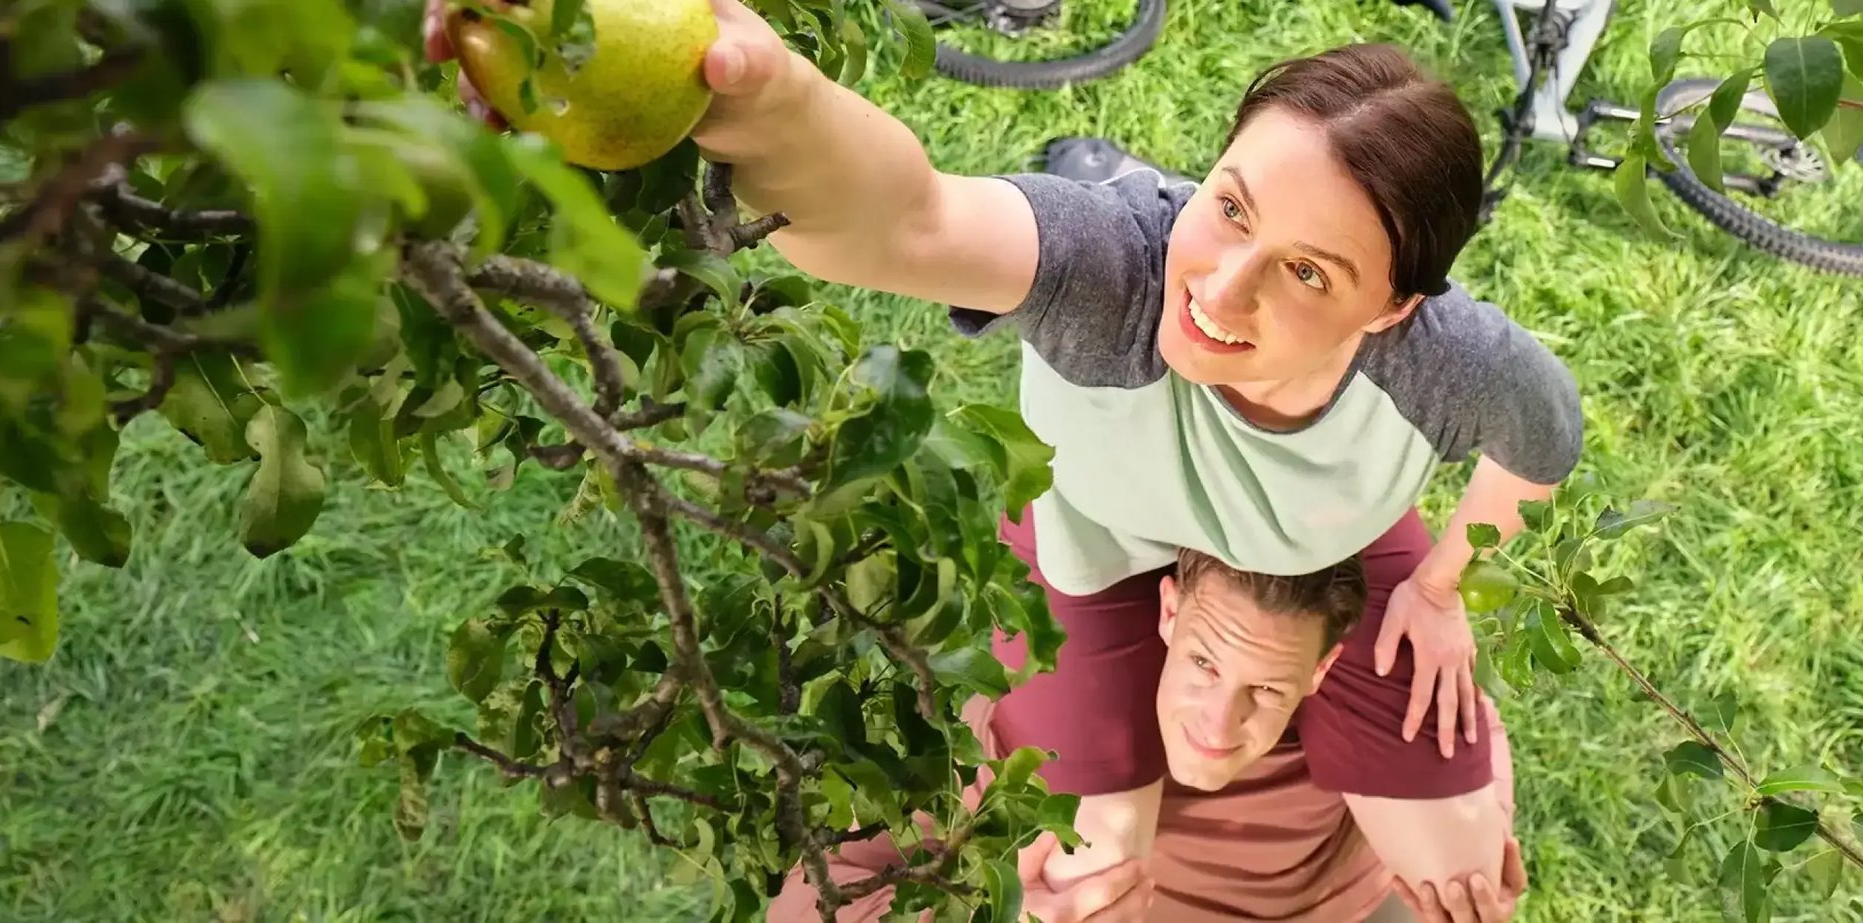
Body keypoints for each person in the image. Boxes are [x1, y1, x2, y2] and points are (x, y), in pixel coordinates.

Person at [423, 1, 1584, 918]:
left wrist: (1443, 588)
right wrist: (771, 100)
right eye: (1229, 209)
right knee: (1102, 864)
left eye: (1312, 272)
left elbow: (1545, 438)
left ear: (1391, 311)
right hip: (1096, 540)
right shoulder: (1121, 280)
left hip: (1325, 542)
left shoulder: (1445, 362)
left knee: (1457, 865)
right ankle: (1098, 173)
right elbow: (909, 220)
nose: (1220, 294)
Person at [767, 544, 1522, 922]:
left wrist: (1485, 818)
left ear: (1322, 668)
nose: (1218, 726)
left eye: (1265, 688)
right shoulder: (1041, 751)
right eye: (1201, 662)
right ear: (1166, 613)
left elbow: (1471, 725)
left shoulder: (1346, 719)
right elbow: (809, 901)